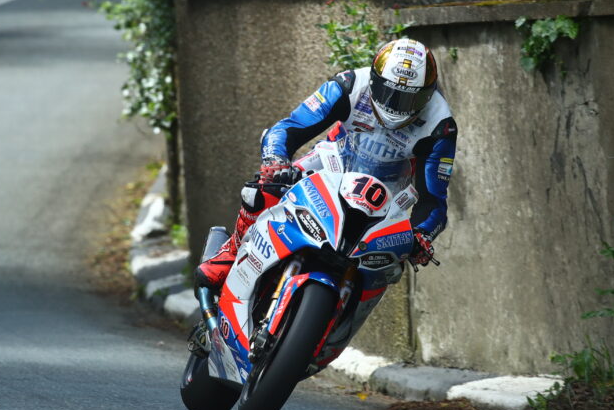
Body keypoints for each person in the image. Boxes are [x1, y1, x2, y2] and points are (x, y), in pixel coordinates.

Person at [194, 36, 458, 291]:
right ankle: (230, 255)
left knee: (393, 260)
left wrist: (423, 234)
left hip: (389, 194)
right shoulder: (349, 85)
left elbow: (434, 200)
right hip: (332, 163)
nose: (396, 107)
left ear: (428, 95)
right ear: (375, 81)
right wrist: (276, 160)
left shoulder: (440, 124)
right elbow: (287, 128)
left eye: (408, 99)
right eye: (389, 94)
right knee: (265, 188)